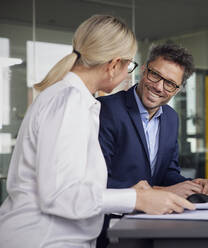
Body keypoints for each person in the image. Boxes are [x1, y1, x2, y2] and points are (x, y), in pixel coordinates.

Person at [0, 15, 194, 248]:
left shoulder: (77, 100)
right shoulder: (69, 102)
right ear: (113, 65)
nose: (128, 74)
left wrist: (132, 191)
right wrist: (137, 198)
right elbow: (60, 196)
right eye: (129, 65)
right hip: (43, 239)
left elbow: (73, 186)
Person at [96, 43, 208, 247]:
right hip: (112, 230)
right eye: (155, 75)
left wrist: (192, 187)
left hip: (156, 226)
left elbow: (168, 172)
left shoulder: (171, 118)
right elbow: (99, 182)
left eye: (170, 83)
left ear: (178, 89)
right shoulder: (107, 110)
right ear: (144, 69)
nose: (159, 87)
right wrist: (162, 191)